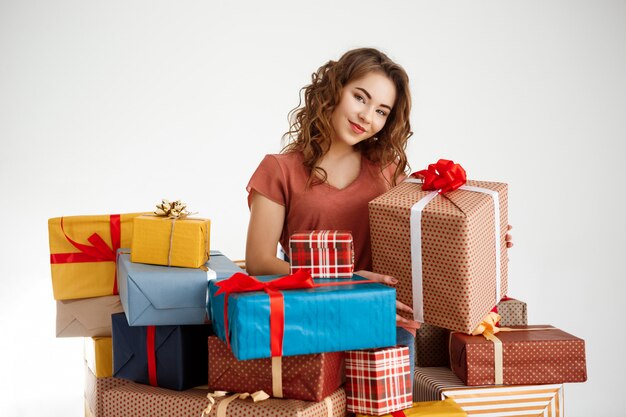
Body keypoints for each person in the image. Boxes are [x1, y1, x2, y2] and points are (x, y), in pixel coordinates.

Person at [245, 47, 420, 374]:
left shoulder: (389, 172)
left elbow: (422, 239)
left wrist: (484, 240)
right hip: (311, 317)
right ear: (334, 89)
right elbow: (258, 262)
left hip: (381, 321)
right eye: (360, 97)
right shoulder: (279, 170)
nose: (368, 117)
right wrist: (349, 282)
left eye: (382, 111)